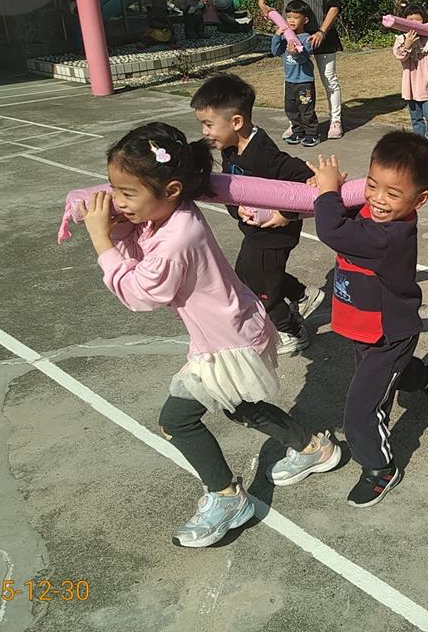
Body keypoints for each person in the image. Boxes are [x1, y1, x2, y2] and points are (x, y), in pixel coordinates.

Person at [78, 122, 340, 547]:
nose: (118, 202)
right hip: (231, 329)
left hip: (227, 343)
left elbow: (141, 293)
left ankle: (228, 497)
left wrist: (101, 240)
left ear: (171, 189)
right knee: (241, 408)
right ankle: (313, 448)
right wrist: (121, 224)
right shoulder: (171, 213)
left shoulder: (178, 237)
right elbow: (141, 245)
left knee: (177, 421)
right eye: (113, 190)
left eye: (127, 194)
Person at [308, 134, 428, 507]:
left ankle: (380, 468)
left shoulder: (388, 235)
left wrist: (327, 192)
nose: (377, 199)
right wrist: (326, 194)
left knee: (362, 408)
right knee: (390, 378)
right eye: (372, 185)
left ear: (420, 199)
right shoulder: (374, 214)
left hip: (387, 334)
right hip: (363, 324)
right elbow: (343, 213)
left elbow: (331, 228)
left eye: (393, 193)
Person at [192, 72, 324, 355]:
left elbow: (303, 178)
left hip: (275, 234)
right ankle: (302, 295)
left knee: (258, 288)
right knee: (250, 275)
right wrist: (237, 208)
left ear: (236, 122)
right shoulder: (231, 149)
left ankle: (292, 332)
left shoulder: (264, 154)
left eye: (208, 124)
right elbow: (231, 187)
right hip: (255, 232)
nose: (204, 132)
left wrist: (286, 213)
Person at [259, 0, 344, 140]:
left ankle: (335, 120)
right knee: (294, 82)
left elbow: (334, 5)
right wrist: (262, 3)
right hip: (293, 37)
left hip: (321, 35)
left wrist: (322, 31)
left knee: (329, 79)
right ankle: (295, 124)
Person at [392, 5, 428, 141]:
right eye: (410, 20)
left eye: (417, 20)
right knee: (416, 116)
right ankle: (419, 143)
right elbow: (400, 55)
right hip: (411, 85)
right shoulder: (401, 39)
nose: (414, 23)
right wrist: (407, 45)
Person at [270, 0, 320, 147]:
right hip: (290, 81)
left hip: (304, 82)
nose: (291, 20)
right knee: (291, 109)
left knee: (306, 109)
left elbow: (303, 58)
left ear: (305, 20)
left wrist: (294, 53)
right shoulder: (285, 37)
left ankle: (312, 134)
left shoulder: (307, 39)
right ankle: (298, 131)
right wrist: (277, 36)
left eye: (296, 17)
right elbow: (275, 51)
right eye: (288, 17)